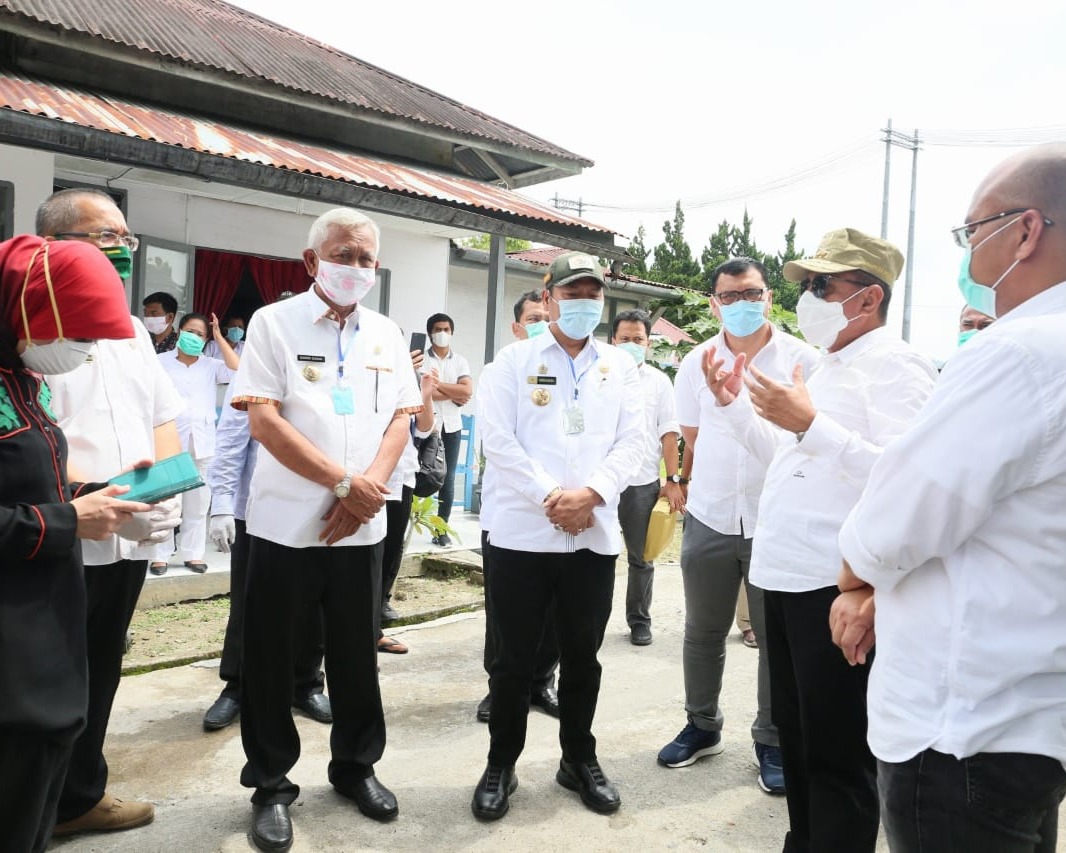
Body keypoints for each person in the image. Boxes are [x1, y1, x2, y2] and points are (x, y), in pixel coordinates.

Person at [835, 145, 1066, 853]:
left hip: (964, 730)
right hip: (1032, 712)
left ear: (1025, 231)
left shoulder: (1018, 352)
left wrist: (855, 580)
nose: (969, 255)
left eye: (973, 232)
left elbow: (895, 520)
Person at [704, 232, 937, 851]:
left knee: (837, 755)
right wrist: (735, 409)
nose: (806, 298)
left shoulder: (896, 365)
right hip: (783, 578)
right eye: (805, 285)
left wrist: (811, 424)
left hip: (828, 587)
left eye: (820, 286)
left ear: (867, 298)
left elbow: (910, 480)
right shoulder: (828, 363)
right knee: (800, 741)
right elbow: (786, 458)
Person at [231, 208, 421, 851]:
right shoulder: (272, 323)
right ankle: (272, 785)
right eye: (345, 255)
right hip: (286, 525)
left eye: (368, 259)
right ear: (312, 262)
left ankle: (355, 768)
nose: (357, 268)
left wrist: (367, 494)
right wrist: (345, 484)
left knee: (354, 655)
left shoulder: (387, 333)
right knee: (270, 657)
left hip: (360, 528)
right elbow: (264, 420)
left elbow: (402, 417)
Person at [471, 251, 643, 821]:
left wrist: (590, 496)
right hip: (522, 535)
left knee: (583, 656)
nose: (583, 303)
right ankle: (501, 763)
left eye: (592, 293)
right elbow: (497, 441)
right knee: (513, 661)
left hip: (591, 537)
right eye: (572, 293)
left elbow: (633, 444)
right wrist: (553, 497)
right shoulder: (512, 362)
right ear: (547, 299)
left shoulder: (620, 366)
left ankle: (577, 759)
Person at [35, 187, 184, 838]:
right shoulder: (29, 327)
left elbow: (162, 416)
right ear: (53, 246)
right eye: (106, 238)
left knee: (102, 668)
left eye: (127, 239)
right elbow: (25, 441)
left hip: (128, 540)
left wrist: (164, 490)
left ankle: (79, 795)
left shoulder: (128, 329)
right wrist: (102, 499)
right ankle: (31, 806)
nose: (124, 251)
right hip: (62, 535)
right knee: (44, 683)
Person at [0, 235, 153, 853]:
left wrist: (99, 495)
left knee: (38, 787)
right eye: (80, 333)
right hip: (11, 655)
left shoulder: (20, 376)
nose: (84, 351)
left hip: (45, 628)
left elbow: (30, 477)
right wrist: (66, 522)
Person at [658, 258, 818, 798]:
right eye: (729, 296)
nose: (741, 304)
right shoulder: (694, 363)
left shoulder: (802, 362)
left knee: (776, 639)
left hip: (778, 520)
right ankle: (701, 725)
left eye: (751, 293)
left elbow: (804, 450)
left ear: (769, 297)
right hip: (710, 515)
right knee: (703, 632)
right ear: (714, 304)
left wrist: (735, 407)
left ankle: (772, 739)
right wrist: (681, 483)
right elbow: (692, 439)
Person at [203, 379, 331, 731]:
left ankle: (304, 684)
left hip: (318, 505)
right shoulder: (255, 367)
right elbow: (231, 441)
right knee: (249, 601)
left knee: (312, 603)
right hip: (258, 508)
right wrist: (223, 505)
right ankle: (238, 686)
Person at [475, 289, 561, 723]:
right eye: (532, 317)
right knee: (505, 612)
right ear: (516, 327)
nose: (541, 322)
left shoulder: (570, 369)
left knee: (553, 610)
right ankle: (501, 686)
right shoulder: (500, 370)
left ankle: (542, 682)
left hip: (563, 512)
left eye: (547, 315)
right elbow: (499, 441)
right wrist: (546, 490)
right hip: (509, 510)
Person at [611, 308, 683, 646]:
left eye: (637, 339)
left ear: (648, 342)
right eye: (624, 339)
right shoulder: (600, 375)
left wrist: (673, 480)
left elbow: (669, 433)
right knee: (591, 556)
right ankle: (586, 621)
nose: (630, 344)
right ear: (613, 340)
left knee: (642, 557)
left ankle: (639, 620)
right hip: (601, 483)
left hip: (641, 484)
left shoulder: (659, 382)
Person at [152, 311, 239, 574]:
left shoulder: (211, 365)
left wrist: (218, 337)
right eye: (190, 331)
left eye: (200, 334)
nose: (194, 337)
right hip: (169, 442)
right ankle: (160, 555)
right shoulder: (160, 362)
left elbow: (237, 367)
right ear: (179, 332)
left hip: (203, 443)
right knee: (166, 501)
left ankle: (193, 554)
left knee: (198, 503)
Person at [376, 349, 438, 651]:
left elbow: (424, 429)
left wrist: (425, 392)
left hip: (401, 477)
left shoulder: (409, 381)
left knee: (389, 551)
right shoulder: (363, 378)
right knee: (362, 557)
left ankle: (373, 627)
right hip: (367, 477)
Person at [424, 311, 473, 546]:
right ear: (430, 334)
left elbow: (467, 392)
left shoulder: (460, 361)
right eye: (437, 329)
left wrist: (440, 386)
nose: (442, 333)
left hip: (452, 427)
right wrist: (452, 392)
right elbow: (426, 392)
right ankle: (410, 524)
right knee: (421, 475)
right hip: (427, 426)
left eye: (446, 329)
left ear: (451, 332)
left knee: (448, 479)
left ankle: (440, 530)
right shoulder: (422, 360)